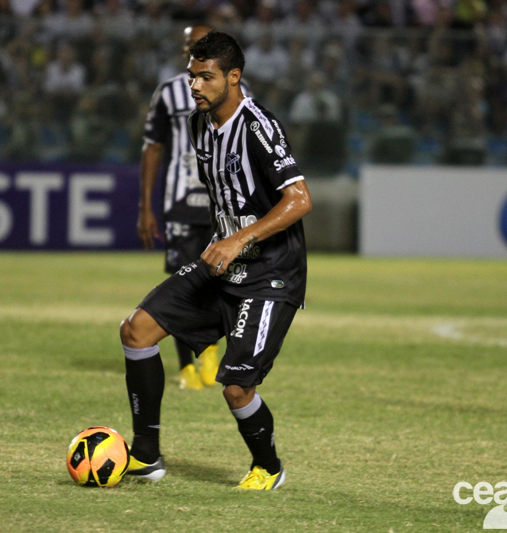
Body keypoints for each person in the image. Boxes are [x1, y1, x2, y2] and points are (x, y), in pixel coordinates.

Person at [120, 31, 312, 490]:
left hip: (270, 274)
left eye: (206, 77)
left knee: (235, 388)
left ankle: (268, 466)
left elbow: (300, 199)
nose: (196, 86)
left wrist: (238, 239)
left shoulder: (259, 126)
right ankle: (146, 454)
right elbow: (224, 194)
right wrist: (219, 241)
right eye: (192, 76)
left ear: (233, 76)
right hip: (221, 262)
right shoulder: (198, 124)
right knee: (136, 329)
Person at [137, 23, 220, 391]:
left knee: (220, 282)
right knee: (183, 284)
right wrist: (146, 206)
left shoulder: (235, 89)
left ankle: (210, 355)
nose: (194, 50)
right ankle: (188, 366)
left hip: (222, 204)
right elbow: (152, 147)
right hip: (180, 201)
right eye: (190, 46)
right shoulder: (169, 92)